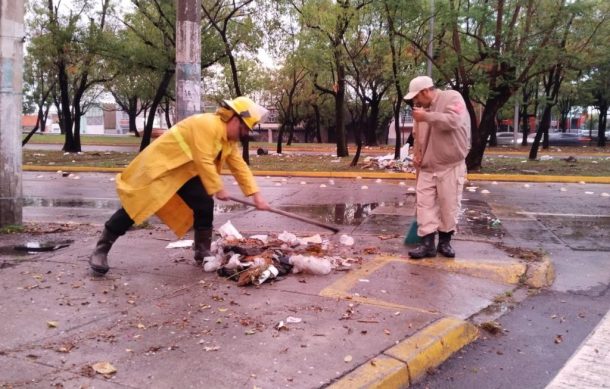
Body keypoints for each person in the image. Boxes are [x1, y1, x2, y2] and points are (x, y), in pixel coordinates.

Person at [89, 96, 271, 276]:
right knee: (135, 208)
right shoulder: (208, 125)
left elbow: (240, 167)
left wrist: (257, 195)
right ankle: (101, 249)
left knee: (204, 204)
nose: (245, 134)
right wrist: (218, 188)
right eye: (244, 128)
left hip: (185, 173)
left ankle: (202, 252)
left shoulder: (228, 141)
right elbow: (204, 159)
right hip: (162, 169)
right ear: (234, 118)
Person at [403, 76, 471, 259]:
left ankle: (445, 242)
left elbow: (453, 121)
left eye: (416, 97)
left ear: (425, 92)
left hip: (450, 166)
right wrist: (416, 155)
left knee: (448, 205)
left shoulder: (452, 97)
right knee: (424, 205)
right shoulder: (421, 112)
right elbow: (418, 137)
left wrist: (427, 117)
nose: (415, 102)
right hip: (426, 167)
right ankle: (427, 245)